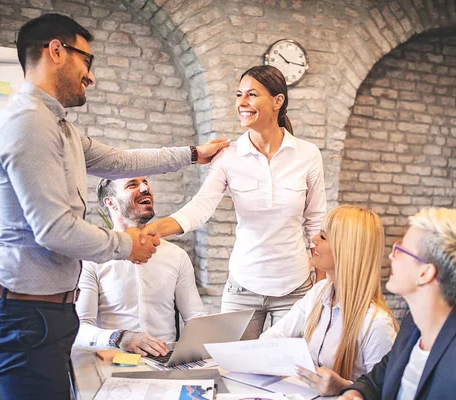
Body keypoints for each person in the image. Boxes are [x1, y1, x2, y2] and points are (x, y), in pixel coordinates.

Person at [0, 13, 228, 400]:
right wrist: (128, 245)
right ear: (56, 51)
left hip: (47, 315)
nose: (90, 76)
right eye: (86, 61)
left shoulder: (60, 128)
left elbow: (123, 161)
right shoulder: (28, 123)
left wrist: (194, 154)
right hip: (22, 317)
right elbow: (54, 229)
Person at [143, 65, 327, 339]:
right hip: (243, 287)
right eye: (239, 94)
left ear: (278, 101)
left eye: (252, 95)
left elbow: (316, 222)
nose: (241, 103)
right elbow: (201, 207)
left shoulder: (307, 154)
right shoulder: (228, 155)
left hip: (295, 288)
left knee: (284, 372)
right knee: (232, 368)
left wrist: (321, 285)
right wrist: (156, 228)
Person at [340, 208, 456, 400]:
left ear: (425, 273)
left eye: (400, 249)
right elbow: (375, 382)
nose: (391, 255)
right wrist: (354, 393)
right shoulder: (411, 328)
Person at [261, 205, 398, 396]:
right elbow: (271, 338)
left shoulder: (376, 324)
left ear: (347, 250)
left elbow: (387, 393)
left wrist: (344, 387)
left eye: (323, 237)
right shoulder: (318, 293)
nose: (313, 240)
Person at [74, 177, 206, 356]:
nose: (145, 188)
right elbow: (79, 329)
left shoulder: (177, 255)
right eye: (132, 185)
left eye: (145, 182)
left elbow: (196, 320)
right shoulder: (92, 259)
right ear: (111, 203)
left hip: (165, 362)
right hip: (112, 361)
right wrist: (120, 338)